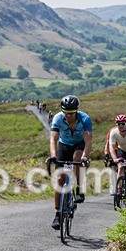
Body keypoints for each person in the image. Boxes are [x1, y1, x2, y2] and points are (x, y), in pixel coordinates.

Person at [46, 95, 92, 230]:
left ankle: (79, 189)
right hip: (64, 145)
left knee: (77, 159)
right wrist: (53, 156)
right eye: (66, 112)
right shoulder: (58, 118)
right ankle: (57, 214)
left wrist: (85, 156)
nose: (69, 116)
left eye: (72, 113)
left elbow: (88, 140)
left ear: (77, 111)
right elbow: (53, 140)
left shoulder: (85, 119)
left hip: (79, 144)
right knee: (60, 179)